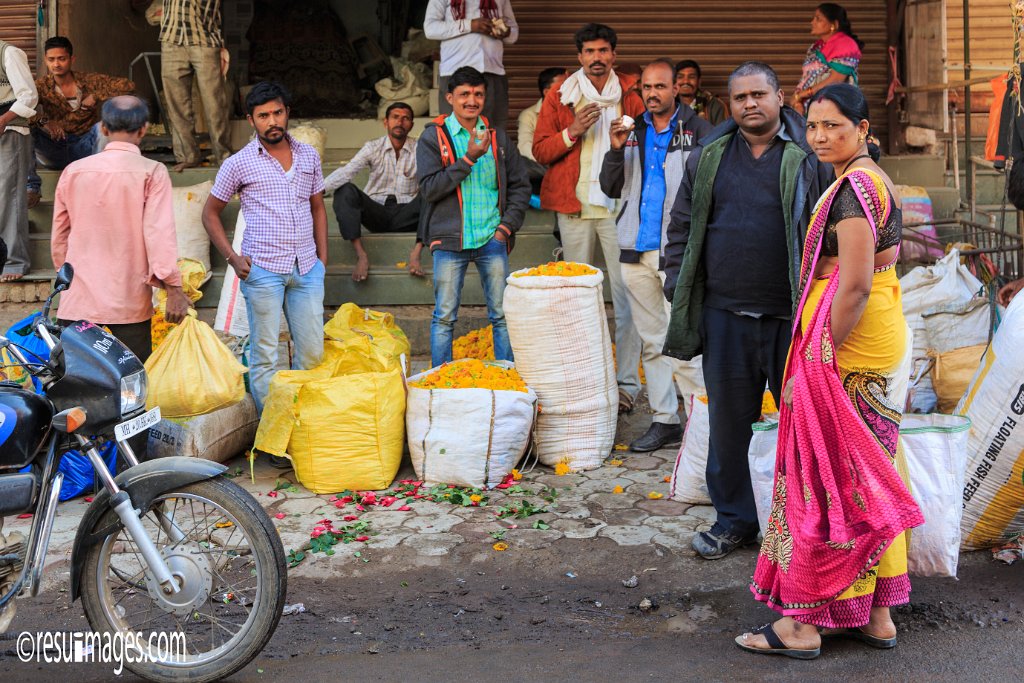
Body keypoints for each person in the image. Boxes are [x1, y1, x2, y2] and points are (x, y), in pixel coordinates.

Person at [736, 83, 924, 660]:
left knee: (825, 479)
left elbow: (857, 284)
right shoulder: (871, 180)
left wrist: (817, 359)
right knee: (867, 476)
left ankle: (803, 624)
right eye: (813, 126)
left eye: (834, 126)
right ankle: (876, 615)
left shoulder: (854, 190)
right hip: (876, 339)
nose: (820, 137)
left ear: (864, 128)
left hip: (851, 347)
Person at [662, 61, 832, 559]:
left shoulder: (806, 157)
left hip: (791, 317)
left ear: (781, 98)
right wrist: (678, 283)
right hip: (725, 316)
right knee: (730, 426)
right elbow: (682, 225)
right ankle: (734, 520)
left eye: (760, 94)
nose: (750, 104)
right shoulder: (710, 156)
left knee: (802, 424)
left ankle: (804, 524)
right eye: (740, 98)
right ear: (730, 104)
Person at [202, 82, 327, 469]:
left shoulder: (308, 156)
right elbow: (209, 213)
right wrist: (233, 258)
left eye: (277, 113)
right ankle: (273, 442)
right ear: (250, 119)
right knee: (265, 357)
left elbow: (318, 207)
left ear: (287, 111)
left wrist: (322, 260)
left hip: (306, 268)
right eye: (263, 116)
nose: (272, 121)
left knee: (312, 354)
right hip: (262, 272)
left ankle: (309, 431)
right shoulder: (238, 163)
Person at [599, 59, 711, 452]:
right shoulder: (632, 130)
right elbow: (611, 187)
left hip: (677, 253)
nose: (652, 93)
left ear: (676, 89)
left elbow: (711, 191)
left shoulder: (698, 131)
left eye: (660, 86)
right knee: (651, 341)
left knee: (682, 338)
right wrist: (614, 151)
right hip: (634, 247)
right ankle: (665, 420)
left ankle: (703, 422)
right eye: (646, 87)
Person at [533, 22, 645, 414]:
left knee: (628, 296)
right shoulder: (559, 95)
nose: (597, 58)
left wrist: (632, 135)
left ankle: (627, 384)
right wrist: (573, 129)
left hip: (622, 208)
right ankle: (581, 383)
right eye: (589, 52)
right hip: (575, 207)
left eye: (603, 51)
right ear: (579, 57)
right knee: (575, 299)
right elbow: (541, 151)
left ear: (613, 54)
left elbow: (652, 143)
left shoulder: (633, 91)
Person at [52, 94, 191, 355]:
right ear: (144, 129)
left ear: (103, 128)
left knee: (75, 384)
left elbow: (60, 236)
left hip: (78, 300)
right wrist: (173, 287)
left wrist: (67, 276)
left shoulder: (73, 171)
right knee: (130, 384)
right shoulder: (152, 171)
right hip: (128, 302)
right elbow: (158, 233)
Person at [417, 66, 530, 367]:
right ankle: (440, 383)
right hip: (450, 241)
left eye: (478, 94)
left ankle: (507, 380)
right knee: (444, 317)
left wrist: (505, 229)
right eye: (464, 94)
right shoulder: (433, 138)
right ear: (450, 98)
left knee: (502, 316)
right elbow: (428, 190)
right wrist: (467, 158)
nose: (472, 100)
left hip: (491, 239)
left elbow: (520, 185)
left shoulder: (498, 139)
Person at [323, 102, 424, 282]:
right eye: (395, 117)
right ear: (385, 122)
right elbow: (348, 171)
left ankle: (416, 253)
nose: (400, 122)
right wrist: (316, 190)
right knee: (345, 190)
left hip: (407, 214)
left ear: (412, 125)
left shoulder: (420, 149)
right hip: (377, 212)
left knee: (433, 192)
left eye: (406, 118)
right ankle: (361, 255)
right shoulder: (372, 147)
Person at [26, 36, 134, 204]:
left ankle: (101, 184)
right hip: (54, 149)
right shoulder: (41, 86)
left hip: (86, 149)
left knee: (104, 126)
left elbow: (127, 85)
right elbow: (20, 108)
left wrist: (96, 96)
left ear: (71, 59)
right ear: (46, 61)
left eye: (61, 59)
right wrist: (44, 121)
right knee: (26, 129)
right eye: (51, 60)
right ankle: (31, 189)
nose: (56, 64)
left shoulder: (89, 81)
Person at [160, 0, 232, 171]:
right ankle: (188, 156)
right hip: (172, 38)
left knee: (214, 104)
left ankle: (225, 158)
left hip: (204, 38)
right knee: (176, 105)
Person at [424, 0, 518, 131]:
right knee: (453, 130)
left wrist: (505, 32)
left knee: (494, 130)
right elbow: (430, 29)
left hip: (492, 71)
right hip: (454, 72)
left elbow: (513, 34)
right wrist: (470, 25)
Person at [0, 37, 38, 282]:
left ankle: (14, 261)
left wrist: (2, 120)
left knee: (9, 196)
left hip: (10, 131)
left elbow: (29, 96)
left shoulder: (9, 53)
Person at [792, 3, 863, 114]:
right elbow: (805, 78)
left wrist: (805, 94)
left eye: (818, 19)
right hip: (812, 110)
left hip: (836, 110)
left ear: (833, 24)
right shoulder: (816, 47)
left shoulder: (846, 45)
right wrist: (797, 101)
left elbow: (836, 79)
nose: (812, 22)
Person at [518, 67, 566, 194]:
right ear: (546, 92)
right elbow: (524, 147)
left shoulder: (574, 110)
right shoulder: (529, 115)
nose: (569, 91)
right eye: (562, 87)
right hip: (542, 165)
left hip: (569, 165)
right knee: (519, 164)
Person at [675, 60, 727, 126]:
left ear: (699, 81)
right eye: (680, 77)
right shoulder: (667, 105)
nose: (686, 81)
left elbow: (724, 134)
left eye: (691, 77)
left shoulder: (714, 105)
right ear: (674, 81)